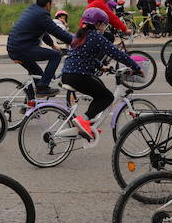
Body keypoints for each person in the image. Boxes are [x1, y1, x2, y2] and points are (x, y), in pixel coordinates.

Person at [61, 8, 143, 140]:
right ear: (98, 23)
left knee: (99, 87)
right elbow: (116, 53)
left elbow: (84, 55)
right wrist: (135, 66)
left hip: (68, 74)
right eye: (105, 24)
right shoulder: (96, 36)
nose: (105, 27)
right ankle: (83, 120)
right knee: (107, 97)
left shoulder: (80, 34)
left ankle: (89, 124)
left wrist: (101, 66)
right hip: (80, 76)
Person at [5, 0, 74, 96]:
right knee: (55, 56)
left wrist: (52, 45)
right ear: (48, 4)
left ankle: (29, 104)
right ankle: (43, 88)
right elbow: (56, 31)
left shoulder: (33, 10)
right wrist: (77, 42)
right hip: (22, 49)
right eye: (52, 4)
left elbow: (43, 31)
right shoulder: (42, 14)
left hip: (14, 48)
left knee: (38, 76)